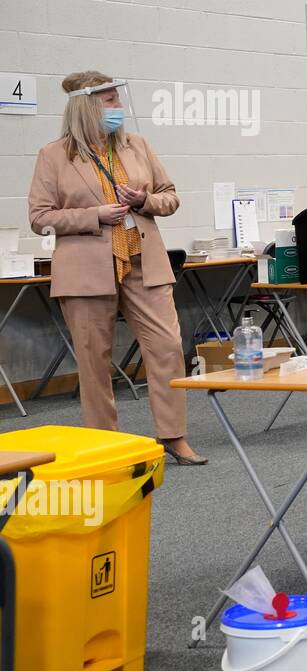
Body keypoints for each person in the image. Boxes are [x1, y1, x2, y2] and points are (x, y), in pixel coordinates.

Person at [28, 71, 203, 464]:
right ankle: (105, 445)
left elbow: (170, 197)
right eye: (109, 101)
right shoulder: (53, 156)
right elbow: (40, 218)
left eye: (117, 99)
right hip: (87, 270)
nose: (118, 107)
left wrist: (144, 200)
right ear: (87, 106)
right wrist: (94, 215)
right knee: (94, 360)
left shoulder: (137, 145)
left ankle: (173, 436)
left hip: (144, 262)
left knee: (168, 347)